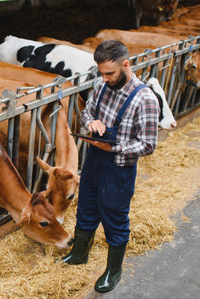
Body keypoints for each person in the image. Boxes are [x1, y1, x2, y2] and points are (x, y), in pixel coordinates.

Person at [62, 40, 160, 292]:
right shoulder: (100, 85)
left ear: (126, 65)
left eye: (109, 73)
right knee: (85, 207)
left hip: (119, 169)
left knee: (114, 217)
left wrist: (115, 147)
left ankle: (113, 271)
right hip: (94, 161)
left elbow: (148, 145)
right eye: (101, 72)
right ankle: (79, 254)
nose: (104, 78)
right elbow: (86, 113)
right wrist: (92, 122)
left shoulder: (145, 99)